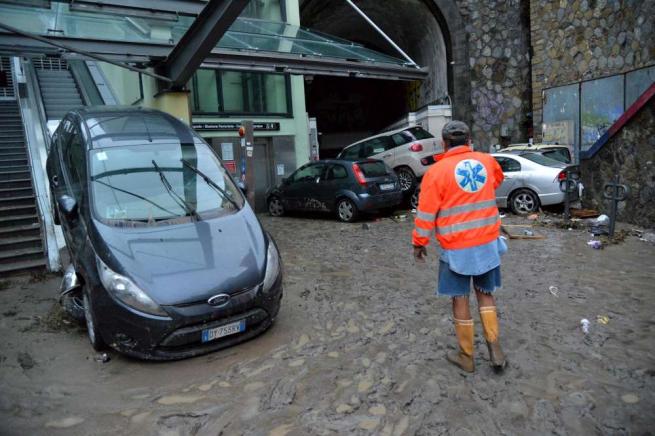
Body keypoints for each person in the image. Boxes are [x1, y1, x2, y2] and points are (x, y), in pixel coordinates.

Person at [412, 120, 507, 373]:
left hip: (456, 247)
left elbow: (426, 213)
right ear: (468, 141)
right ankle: (495, 348)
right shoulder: (487, 161)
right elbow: (496, 181)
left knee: (460, 297)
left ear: (444, 143)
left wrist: (419, 243)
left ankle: (467, 357)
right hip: (487, 242)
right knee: (485, 293)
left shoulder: (436, 172)